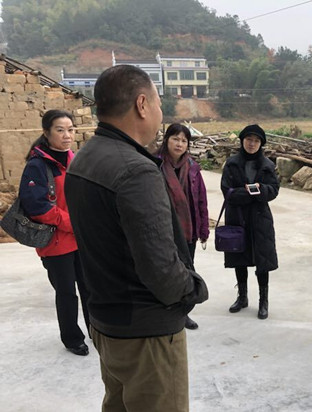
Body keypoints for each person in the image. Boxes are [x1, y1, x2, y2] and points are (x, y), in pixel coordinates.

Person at [65, 65, 208, 411]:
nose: (160, 112)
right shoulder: (136, 170)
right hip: (146, 334)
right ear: (142, 104)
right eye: (158, 102)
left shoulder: (84, 158)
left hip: (106, 320)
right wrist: (192, 290)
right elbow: (161, 268)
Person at [18, 109, 90, 356]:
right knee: (67, 293)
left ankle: (97, 330)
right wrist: (72, 223)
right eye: (60, 130)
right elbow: (37, 206)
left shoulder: (74, 159)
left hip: (81, 239)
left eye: (70, 129)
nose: (67, 135)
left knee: (90, 288)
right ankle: (72, 338)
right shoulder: (37, 166)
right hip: (55, 242)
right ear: (46, 133)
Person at [221, 124, 279, 319]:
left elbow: (274, 190)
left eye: (256, 141)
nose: (252, 144)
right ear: (242, 141)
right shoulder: (232, 163)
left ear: (261, 143)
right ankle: (242, 297)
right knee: (240, 258)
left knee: (262, 261)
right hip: (237, 217)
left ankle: (263, 301)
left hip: (260, 219)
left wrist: (260, 190)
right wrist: (249, 194)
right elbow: (227, 191)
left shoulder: (267, 165)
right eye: (248, 140)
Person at [157, 123, 210, 330]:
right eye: (175, 139)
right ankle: (164, 310)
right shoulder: (154, 164)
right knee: (165, 271)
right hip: (164, 229)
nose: (179, 144)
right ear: (166, 140)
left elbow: (201, 200)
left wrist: (203, 229)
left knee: (187, 271)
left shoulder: (193, 167)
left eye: (183, 140)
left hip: (188, 231)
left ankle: (183, 312)